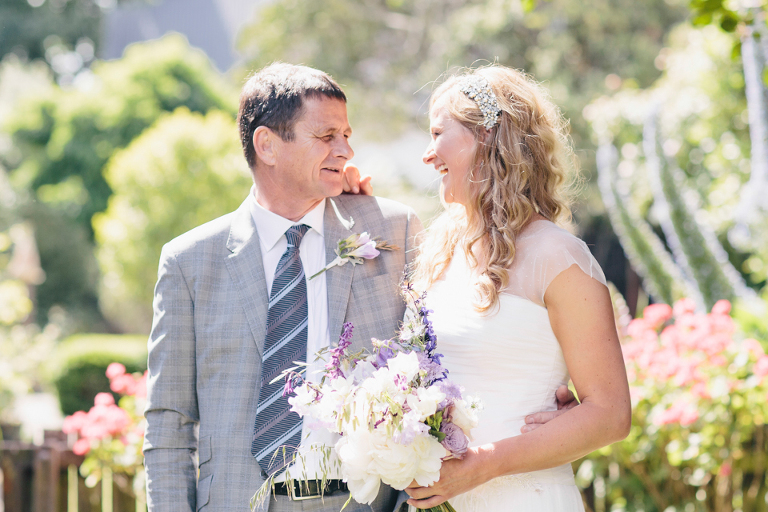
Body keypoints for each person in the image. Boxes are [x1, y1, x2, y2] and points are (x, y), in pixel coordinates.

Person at [142, 63, 423, 512]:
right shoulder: (189, 262)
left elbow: (425, 372)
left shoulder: (391, 230)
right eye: (327, 136)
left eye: (346, 134)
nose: (346, 149)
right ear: (267, 145)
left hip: (361, 503)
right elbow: (169, 423)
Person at [403, 65, 632, 511]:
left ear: (485, 136)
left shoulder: (559, 257)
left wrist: (484, 464)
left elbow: (610, 414)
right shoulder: (437, 248)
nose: (428, 155)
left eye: (437, 133)